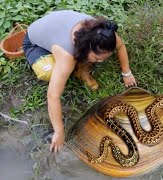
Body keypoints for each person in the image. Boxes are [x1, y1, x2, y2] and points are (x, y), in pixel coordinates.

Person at [22, 10, 137, 153]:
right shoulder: (66, 55)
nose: (101, 61)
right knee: (49, 72)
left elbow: (120, 46)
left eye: (104, 57)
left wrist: (126, 72)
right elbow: (53, 96)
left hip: (57, 27)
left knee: (77, 61)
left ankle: (81, 70)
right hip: (34, 44)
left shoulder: (106, 33)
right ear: (86, 47)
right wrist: (59, 132)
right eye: (97, 58)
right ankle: (76, 69)